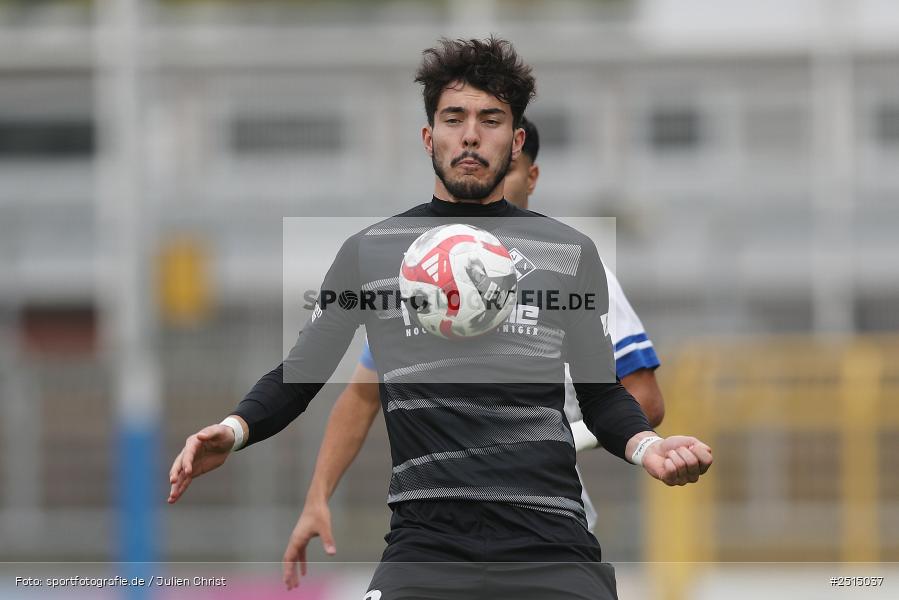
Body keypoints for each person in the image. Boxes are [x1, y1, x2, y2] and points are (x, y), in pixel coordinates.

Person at [168, 37, 712, 599]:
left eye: (490, 119)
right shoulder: (373, 252)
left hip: (551, 547)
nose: (471, 134)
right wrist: (235, 430)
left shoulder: (567, 253)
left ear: (515, 139)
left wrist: (648, 446)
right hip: (425, 549)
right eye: (454, 118)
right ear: (430, 137)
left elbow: (603, 397)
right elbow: (302, 373)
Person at [280, 116, 666, 589]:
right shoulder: (429, 276)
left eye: (506, 169)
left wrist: (559, 438)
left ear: (530, 176)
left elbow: (643, 399)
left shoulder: (577, 270)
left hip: (544, 526)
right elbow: (361, 397)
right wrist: (317, 496)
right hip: (437, 532)